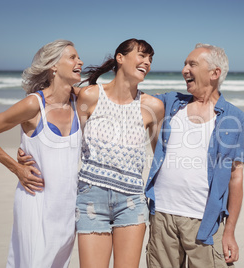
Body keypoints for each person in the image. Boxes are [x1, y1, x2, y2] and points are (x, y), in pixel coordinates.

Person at [0, 39, 84, 267]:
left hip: (67, 206)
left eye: (78, 57)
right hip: (36, 202)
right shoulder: (34, 104)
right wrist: (17, 168)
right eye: (72, 57)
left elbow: (113, 96)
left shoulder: (79, 101)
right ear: (53, 66)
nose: (79, 61)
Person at [145, 43, 244, 267]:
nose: (184, 70)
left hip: (205, 223)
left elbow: (235, 177)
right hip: (162, 215)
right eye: (184, 64)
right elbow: (129, 97)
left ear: (214, 73)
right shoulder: (171, 103)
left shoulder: (234, 117)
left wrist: (229, 231)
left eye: (192, 64)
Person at [74, 38, 164, 267]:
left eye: (150, 59)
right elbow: (70, 143)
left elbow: (161, 158)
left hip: (131, 201)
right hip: (90, 198)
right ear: (120, 58)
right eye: (142, 55)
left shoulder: (152, 106)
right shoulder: (90, 96)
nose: (147, 62)